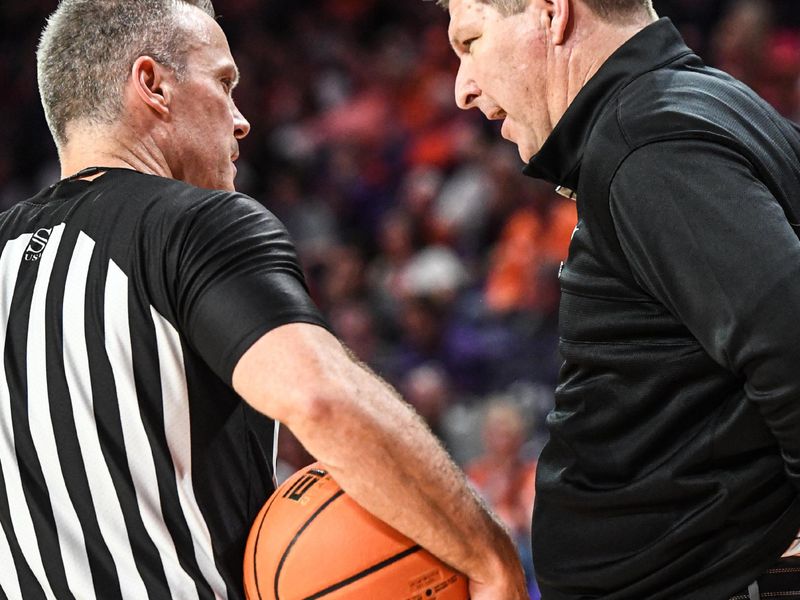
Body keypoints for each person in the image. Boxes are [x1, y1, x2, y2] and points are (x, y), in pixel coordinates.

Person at [0, 0, 528, 598]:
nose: (242, 119)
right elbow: (321, 398)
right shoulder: (189, 223)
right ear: (152, 85)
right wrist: (489, 560)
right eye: (224, 83)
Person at [436, 0, 800, 598]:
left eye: (470, 42)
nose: (462, 89)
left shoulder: (648, 143)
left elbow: (791, 344)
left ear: (552, 13)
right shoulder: (697, 104)